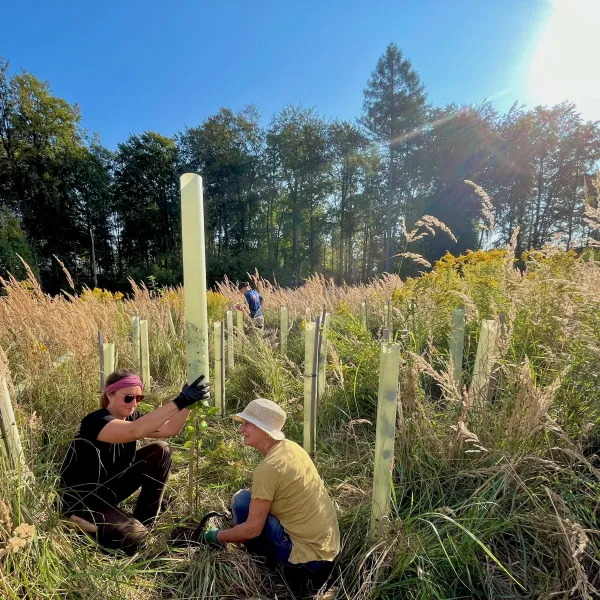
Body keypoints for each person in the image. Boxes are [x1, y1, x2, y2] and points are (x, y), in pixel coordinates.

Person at [59, 369, 209, 555]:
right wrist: (180, 401)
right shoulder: (95, 421)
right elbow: (133, 431)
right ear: (110, 394)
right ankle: (71, 521)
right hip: (81, 501)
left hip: (108, 491)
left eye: (139, 398)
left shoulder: (133, 418)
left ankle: (145, 521)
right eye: (129, 398)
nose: (134, 404)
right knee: (137, 538)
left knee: (161, 450)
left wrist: (188, 404)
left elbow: (171, 429)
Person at [201, 398, 340, 594]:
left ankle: (266, 568)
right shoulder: (291, 448)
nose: (241, 430)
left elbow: (251, 530)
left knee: (241, 503)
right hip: (326, 551)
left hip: (306, 560)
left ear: (265, 431)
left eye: (247, 424)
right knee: (243, 500)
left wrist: (215, 536)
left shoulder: (269, 468)